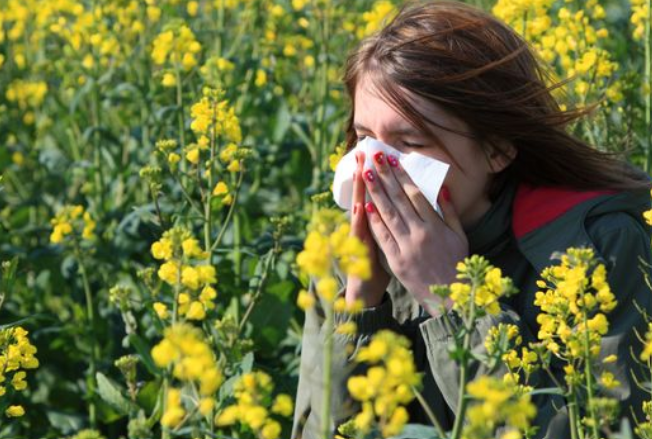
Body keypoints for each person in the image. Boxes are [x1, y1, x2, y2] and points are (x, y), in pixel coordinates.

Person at [291, 1, 652, 439]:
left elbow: (606, 429)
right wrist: (360, 310)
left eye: (411, 142)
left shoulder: (600, 247)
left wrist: (457, 301)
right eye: (365, 138)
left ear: (497, 148)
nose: (377, 166)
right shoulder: (345, 256)